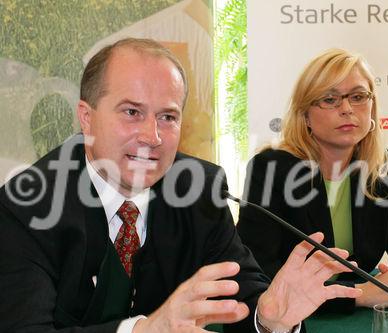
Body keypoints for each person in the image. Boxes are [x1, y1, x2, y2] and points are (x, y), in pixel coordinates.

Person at [0, 39, 362, 333]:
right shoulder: (27, 205)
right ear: (86, 117)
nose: (152, 136)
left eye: (168, 117)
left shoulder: (199, 188)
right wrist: (145, 331)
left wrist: (268, 318)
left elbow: (245, 296)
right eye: (132, 112)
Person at [237, 48, 388, 314]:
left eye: (357, 97)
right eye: (330, 99)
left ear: (372, 106)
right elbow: (257, 274)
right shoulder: (272, 168)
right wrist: (361, 295)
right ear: (305, 114)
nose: (346, 109)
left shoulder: (382, 168)